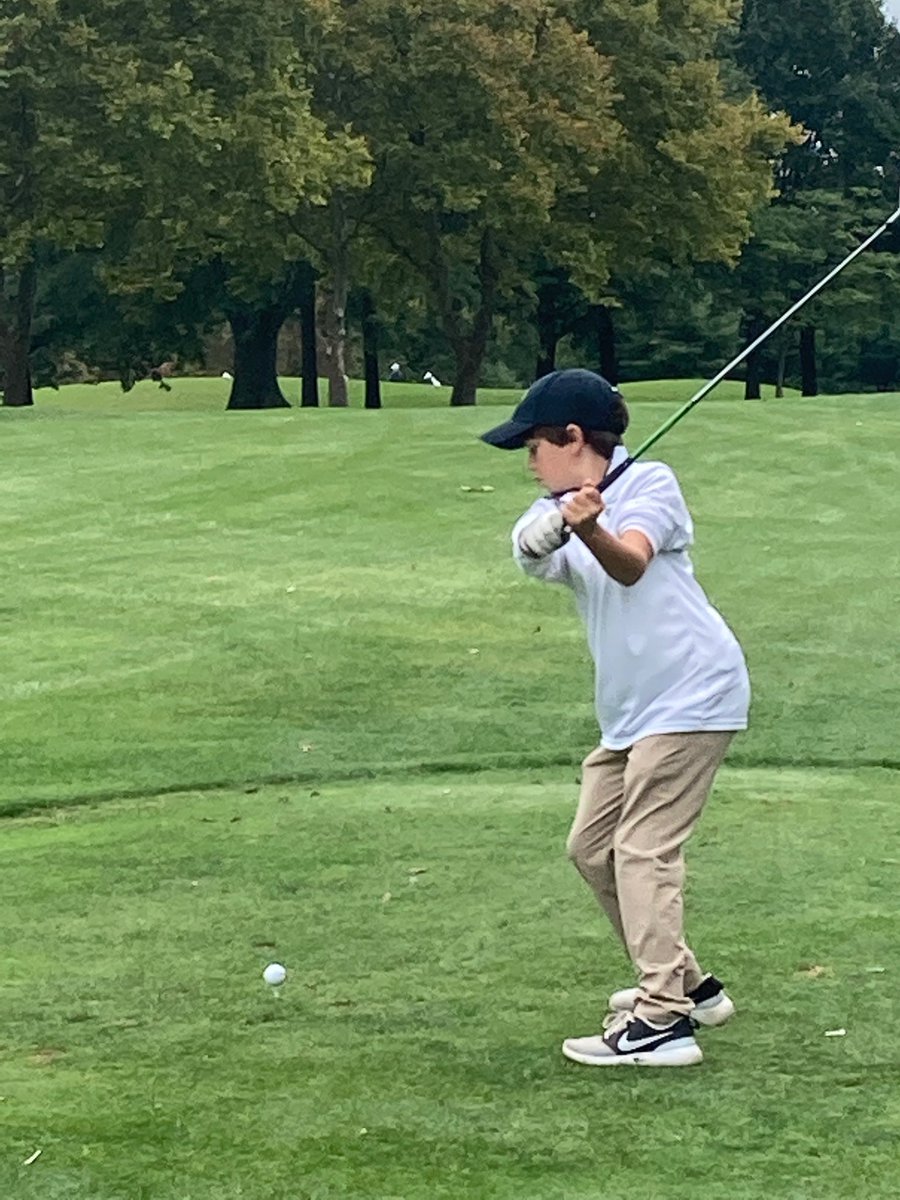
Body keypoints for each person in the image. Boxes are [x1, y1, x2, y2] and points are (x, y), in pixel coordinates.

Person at [481, 368, 750, 1068]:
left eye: (535, 446)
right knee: (591, 848)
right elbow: (530, 549)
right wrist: (559, 525)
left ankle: (662, 1019)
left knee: (641, 849)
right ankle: (691, 985)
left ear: (573, 437)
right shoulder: (554, 510)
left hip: (693, 690)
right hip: (630, 713)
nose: (530, 462)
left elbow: (630, 563)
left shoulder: (651, 484)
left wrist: (591, 526)